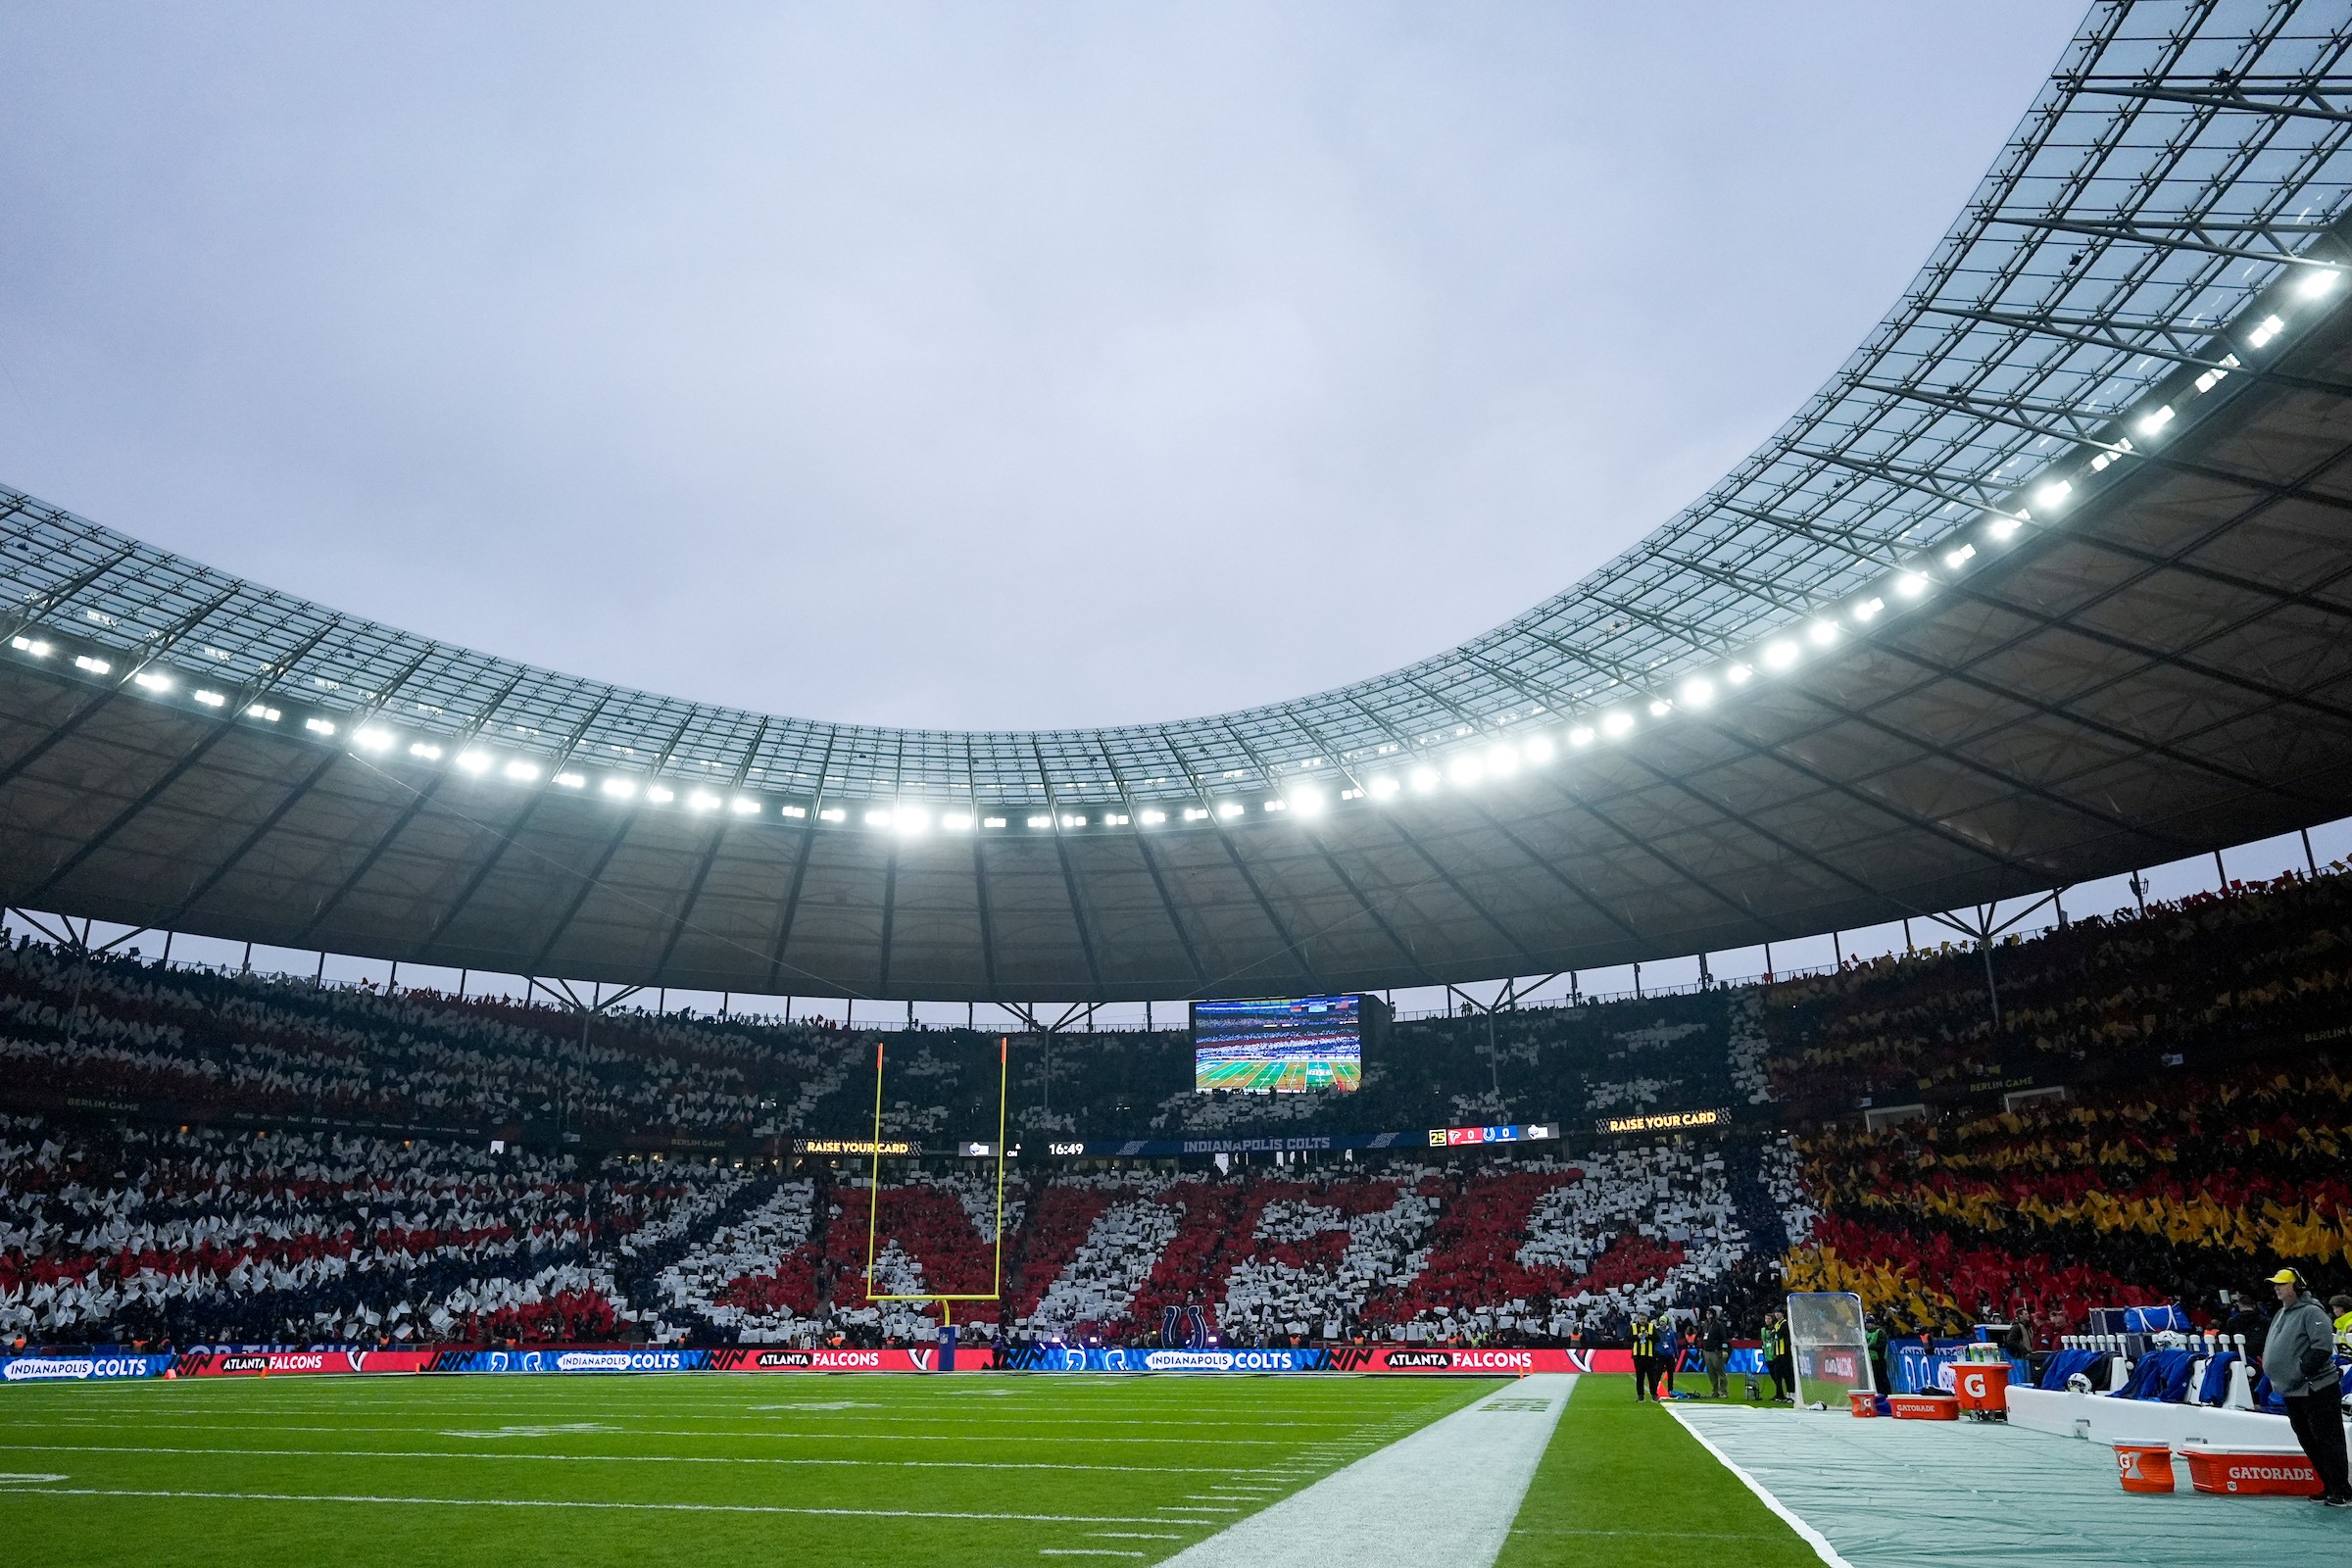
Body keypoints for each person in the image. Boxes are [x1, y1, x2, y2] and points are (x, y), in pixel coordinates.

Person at [2263, 1268, 2349, 1508]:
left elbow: (2321, 1348)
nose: (2277, 1288)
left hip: (2316, 1388)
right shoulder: (2283, 1312)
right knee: (2309, 1440)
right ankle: (2330, 1485)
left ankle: (2342, 1489)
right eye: (2275, 1284)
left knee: (2328, 1439)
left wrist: (2299, 1371)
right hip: (2293, 1389)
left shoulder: (2311, 1312)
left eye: (2282, 1284)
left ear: (2296, 1286)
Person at [1700, 1306, 1731, 1399]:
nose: (1708, 1316)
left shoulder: (1718, 1325)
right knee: (1711, 1373)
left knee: (1720, 1372)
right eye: (1707, 1314)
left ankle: (1723, 1391)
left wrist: (1724, 1350)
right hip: (1707, 1352)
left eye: (1709, 1314)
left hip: (1716, 1352)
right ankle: (1715, 1391)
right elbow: (1702, 1337)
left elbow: (1724, 1338)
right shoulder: (1705, 1325)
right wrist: (1701, 1349)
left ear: (1713, 1315)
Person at [1762, 1309, 1791, 1402]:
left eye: (1778, 1312)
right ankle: (1780, 1394)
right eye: (1776, 1313)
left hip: (1783, 1353)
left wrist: (1775, 1334)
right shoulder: (1776, 1325)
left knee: (1787, 1375)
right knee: (1777, 1376)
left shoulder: (1784, 1324)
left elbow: (1778, 1335)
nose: (1777, 1314)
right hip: (1776, 1353)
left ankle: (1790, 1395)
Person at [1631, 1312, 1659, 1402]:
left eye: (1644, 1319)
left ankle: (1654, 1395)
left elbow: (1658, 1339)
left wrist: (1649, 1336)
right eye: (1641, 1319)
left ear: (1647, 1319)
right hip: (1638, 1356)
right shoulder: (1633, 1327)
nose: (1642, 1321)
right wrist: (1637, 1337)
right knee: (1640, 1377)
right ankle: (1640, 1396)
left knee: (1652, 1377)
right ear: (1638, 1319)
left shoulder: (1651, 1327)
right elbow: (1628, 1338)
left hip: (1650, 1356)